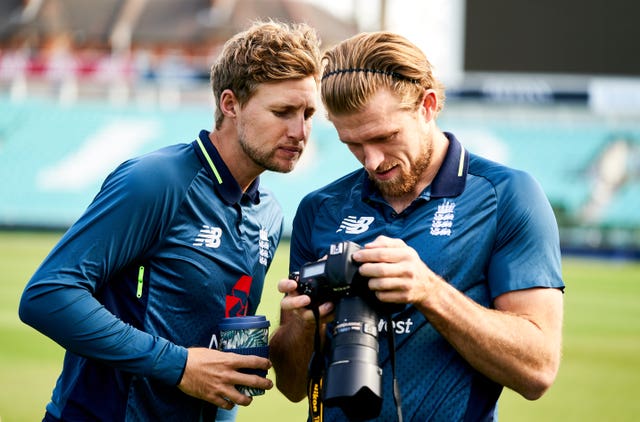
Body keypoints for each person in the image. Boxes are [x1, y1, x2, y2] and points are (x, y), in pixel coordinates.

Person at [19, 20, 321, 422]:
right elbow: (46, 295)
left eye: (308, 113)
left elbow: (218, 357)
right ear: (230, 104)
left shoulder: (269, 214)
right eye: (282, 111)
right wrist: (178, 365)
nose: (300, 132)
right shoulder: (156, 181)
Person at [270, 31, 565, 421]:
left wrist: (429, 291)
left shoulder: (506, 196)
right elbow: (292, 388)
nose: (371, 161)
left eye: (385, 137)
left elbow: (538, 371)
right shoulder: (319, 209)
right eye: (353, 144)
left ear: (427, 105)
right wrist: (302, 326)